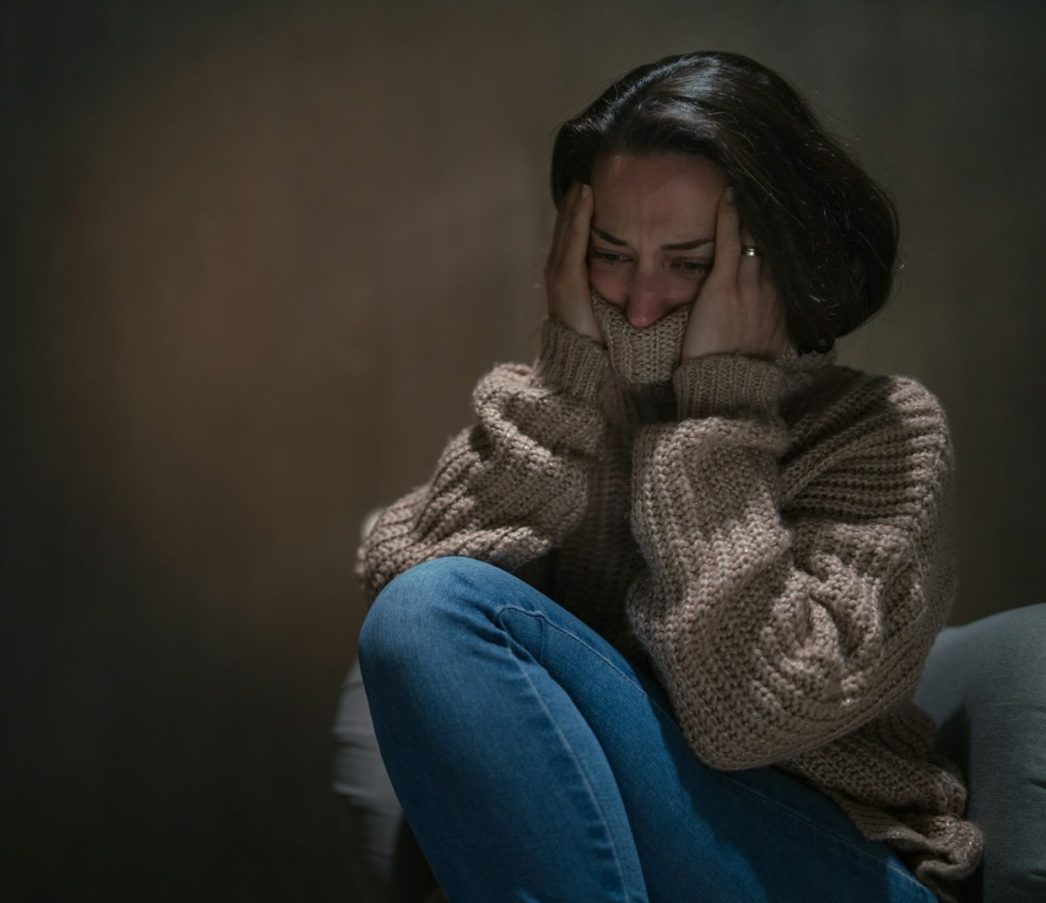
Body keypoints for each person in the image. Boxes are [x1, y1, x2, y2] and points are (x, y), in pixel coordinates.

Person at [336, 51, 989, 903]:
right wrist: (563, 388)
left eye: (688, 263)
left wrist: (717, 415)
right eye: (612, 254)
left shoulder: (885, 431)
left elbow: (751, 716)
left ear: (779, 259)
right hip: (628, 842)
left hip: (841, 863)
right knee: (422, 607)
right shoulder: (577, 414)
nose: (641, 305)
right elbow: (406, 602)